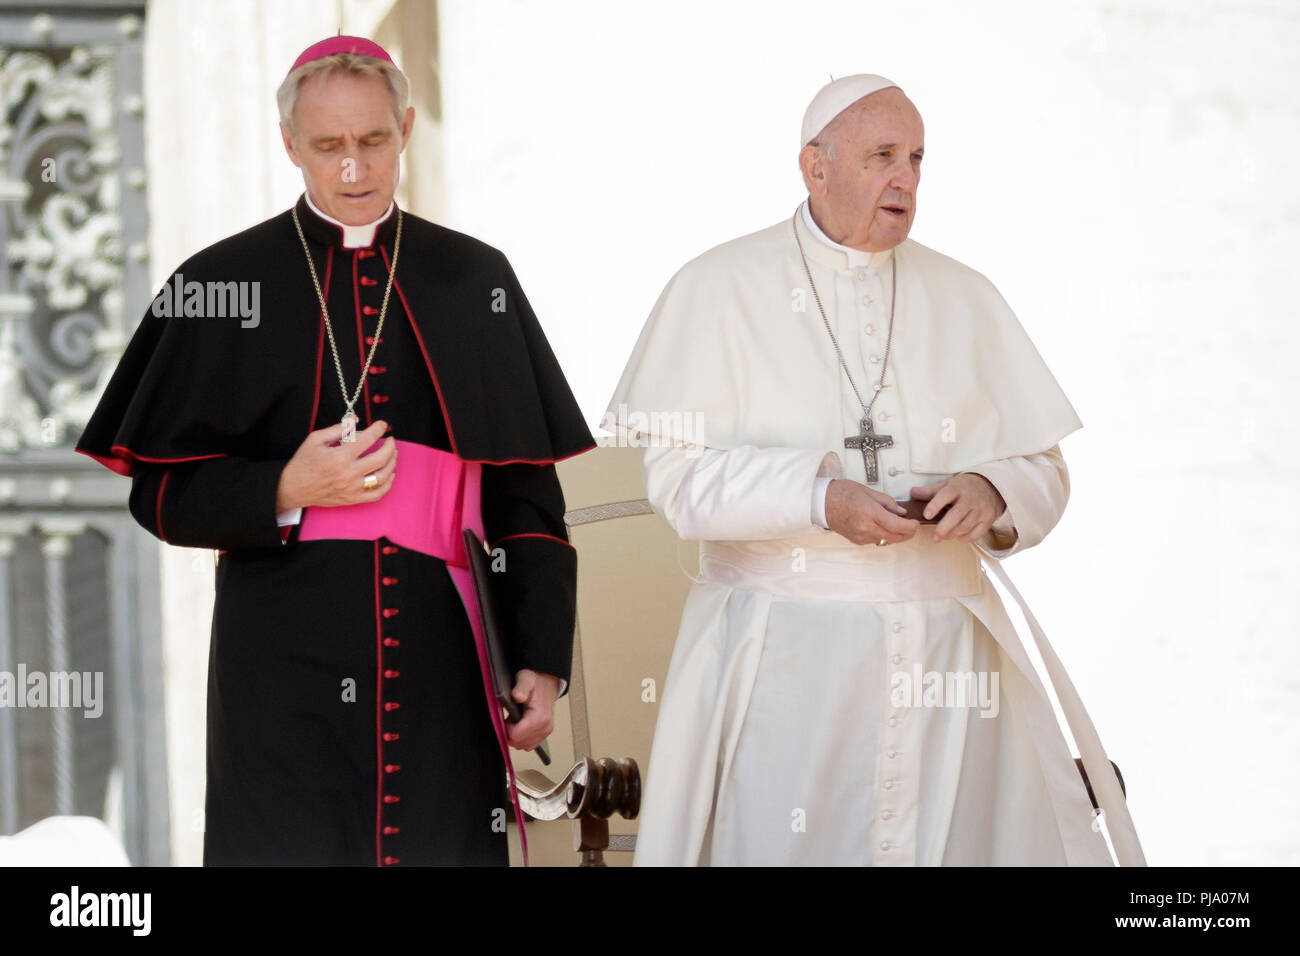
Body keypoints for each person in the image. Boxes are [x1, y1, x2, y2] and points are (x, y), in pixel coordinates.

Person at [75, 35, 594, 866]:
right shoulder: (220, 282)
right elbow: (158, 494)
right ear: (290, 145)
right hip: (280, 656)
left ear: (407, 128)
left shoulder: (475, 279)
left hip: (443, 653)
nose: (353, 169)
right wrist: (284, 485)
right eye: (328, 147)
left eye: (372, 142)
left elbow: (525, 492)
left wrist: (539, 656)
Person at [604, 74, 1145, 866]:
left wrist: (993, 490)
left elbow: (1046, 469)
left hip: (950, 663)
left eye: (918, 158)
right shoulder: (717, 287)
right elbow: (679, 486)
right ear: (813, 167)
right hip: (782, 656)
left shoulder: (964, 294)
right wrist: (819, 499)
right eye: (883, 155)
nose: (907, 179)